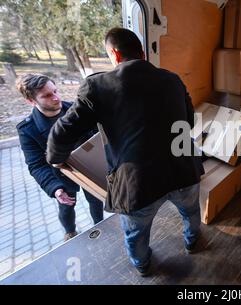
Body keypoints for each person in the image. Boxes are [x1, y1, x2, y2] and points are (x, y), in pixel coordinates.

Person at [46, 28, 204, 277]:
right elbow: (190, 121)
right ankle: (192, 241)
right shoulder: (172, 78)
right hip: (184, 169)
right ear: (142, 53)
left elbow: (63, 132)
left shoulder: (97, 86)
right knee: (192, 212)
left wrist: (55, 159)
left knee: (136, 233)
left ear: (115, 55)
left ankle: (143, 266)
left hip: (138, 184)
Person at [16, 74, 104, 241]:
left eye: (55, 91)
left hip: (88, 169)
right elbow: (36, 165)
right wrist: (54, 188)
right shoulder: (27, 129)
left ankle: (99, 226)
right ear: (31, 101)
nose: (56, 98)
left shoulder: (76, 110)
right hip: (61, 177)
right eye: (47, 95)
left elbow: (97, 135)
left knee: (96, 201)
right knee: (66, 208)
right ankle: (70, 232)